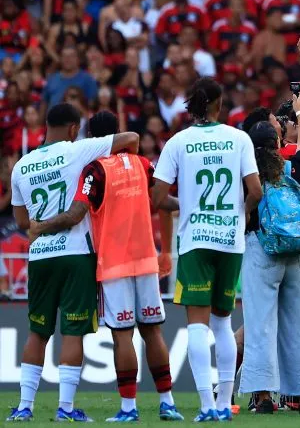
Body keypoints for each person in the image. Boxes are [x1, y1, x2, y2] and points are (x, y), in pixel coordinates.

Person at [27, 110, 183, 422]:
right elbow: (163, 202)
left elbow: (75, 214)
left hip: (113, 264)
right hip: (146, 260)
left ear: (94, 138)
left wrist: (40, 227)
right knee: (153, 331)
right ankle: (168, 403)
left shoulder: (94, 170)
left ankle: (128, 409)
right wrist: (167, 249)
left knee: (122, 335)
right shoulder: (143, 164)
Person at [8, 104, 140, 422]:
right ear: (72, 129)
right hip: (76, 253)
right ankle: (65, 409)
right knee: (72, 332)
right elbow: (131, 138)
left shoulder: (21, 166)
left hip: (40, 256)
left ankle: (24, 407)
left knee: (37, 332)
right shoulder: (77, 150)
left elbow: (22, 221)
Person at [151, 78, 262, 422]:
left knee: (197, 326)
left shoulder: (178, 142)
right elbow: (256, 191)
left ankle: (205, 406)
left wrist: (185, 204)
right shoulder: (239, 138)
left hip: (196, 240)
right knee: (223, 322)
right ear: (219, 103)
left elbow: (157, 198)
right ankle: (224, 403)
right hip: (230, 239)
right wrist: (242, 213)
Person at [238, 102, 300, 414]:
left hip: (262, 248)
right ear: (278, 142)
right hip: (299, 250)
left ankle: (262, 396)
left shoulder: (247, 173)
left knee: (260, 324)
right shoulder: (293, 165)